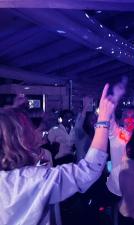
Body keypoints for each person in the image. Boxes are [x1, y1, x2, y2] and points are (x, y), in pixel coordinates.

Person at [0, 82, 122, 225]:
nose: (38, 134)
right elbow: (89, 169)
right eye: (29, 129)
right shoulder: (32, 179)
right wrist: (103, 118)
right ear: (19, 139)